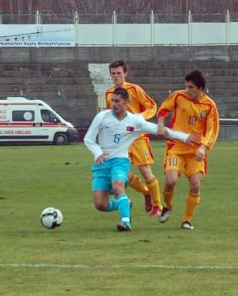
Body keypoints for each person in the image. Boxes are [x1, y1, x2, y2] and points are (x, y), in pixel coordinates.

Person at [84, 87, 200, 232]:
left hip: (120, 162)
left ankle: (125, 222)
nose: (114, 104)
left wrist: (185, 137)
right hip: (101, 164)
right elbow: (88, 139)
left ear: (127, 102)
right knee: (100, 205)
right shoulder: (102, 117)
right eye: (112, 101)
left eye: (117, 101)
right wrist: (97, 153)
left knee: (117, 185)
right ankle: (126, 203)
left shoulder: (135, 120)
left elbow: (160, 130)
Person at [157, 70, 219, 230]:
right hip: (176, 147)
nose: (187, 89)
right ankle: (168, 206)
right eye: (186, 86)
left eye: (191, 87)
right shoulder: (179, 96)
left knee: (195, 186)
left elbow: (213, 130)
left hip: (196, 151)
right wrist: (162, 125)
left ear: (200, 88)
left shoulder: (209, 106)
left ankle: (187, 220)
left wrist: (204, 148)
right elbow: (163, 109)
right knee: (170, 181)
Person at [105, 60, 162, 217]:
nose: (115, 76)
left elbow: (152, 106)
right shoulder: (109, 93)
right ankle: (146, 193)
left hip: (138, 137)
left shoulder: (135, 90)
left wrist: (140, 118)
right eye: (113, 73)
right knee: (123, 173)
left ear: (125, 74)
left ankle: (158, 206)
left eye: (118, 73)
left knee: (145, 171)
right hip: (120, 139)